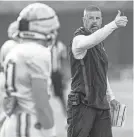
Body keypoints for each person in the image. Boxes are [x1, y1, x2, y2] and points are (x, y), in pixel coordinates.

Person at [0, 3, 60, 137]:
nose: (54, 33)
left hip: (12, 122)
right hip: (28, 124)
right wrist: (50, 131)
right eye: (52, 29)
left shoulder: (12, 49)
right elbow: (41, 101)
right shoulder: (38, 53)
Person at [67, 5, 128, 137]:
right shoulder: (78, 40)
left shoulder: (100, 43)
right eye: (90, 18)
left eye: (97, 18)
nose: (94, 21)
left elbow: (102, 73)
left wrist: (111, 97)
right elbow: (90, 41)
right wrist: (113, 24)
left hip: (101, 103)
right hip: (82, 104)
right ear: (84, 20)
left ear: (101, 21)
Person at [51, 40, 67, 118]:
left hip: (56, 73)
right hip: (45, 73)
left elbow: (63, 62)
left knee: (61, 96)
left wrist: (63, 76)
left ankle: (68, 117)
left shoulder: (60, 45)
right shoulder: (42, 44)